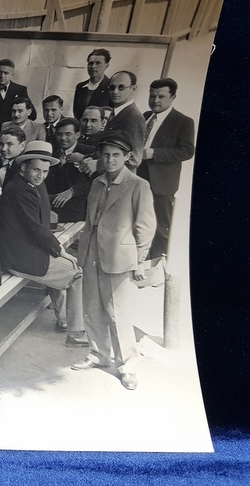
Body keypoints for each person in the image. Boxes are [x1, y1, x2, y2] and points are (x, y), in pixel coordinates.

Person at [71, 131, 156, 390]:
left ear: (127, 157)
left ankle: (127, 365)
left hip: (119, 256)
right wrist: (83, 251)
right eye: (105, 155)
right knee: (92, 306)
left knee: (118, 312)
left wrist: (139, 259)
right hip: (92, 252)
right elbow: (90, 221)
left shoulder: (138, 185)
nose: (109, 160)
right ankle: (98, 354)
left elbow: (146, 225)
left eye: (116, 155)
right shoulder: (97, 182)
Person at [0, 141, 86, 346]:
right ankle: (76, 332)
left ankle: (64, 320)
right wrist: (59, 250)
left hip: (23, 250)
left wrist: (55, 250)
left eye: (45, 171)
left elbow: (39, 224)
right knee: (76, 274)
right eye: (36, 169)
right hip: (18, 256)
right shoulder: (21, 189)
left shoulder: (30, 184)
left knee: (67, 267)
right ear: (24, 167)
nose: (41, 175)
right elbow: (35, 228)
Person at [136, 78, 195, 259]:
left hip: (162, 183)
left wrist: (156, 153)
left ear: (173, 97)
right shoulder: (145, 116)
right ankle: (139, 260)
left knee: (161, 226)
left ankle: (157, 265)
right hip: (139, 176)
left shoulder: (183, 121)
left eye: (161, 96)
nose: (155, 100)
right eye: (152, 96)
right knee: (139, 220)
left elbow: (187, 151)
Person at [81, 71, 146, 174]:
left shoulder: (134, 117)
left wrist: (98, 164)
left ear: (133, 89)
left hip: (120, 181)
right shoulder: (116, 113)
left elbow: (133, 160)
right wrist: (90, 158)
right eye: (112, 87)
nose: (115, 91)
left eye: (121, 87)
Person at [45, 117, 95, 223]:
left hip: (80, 205)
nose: (63, 138)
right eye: (59, 134)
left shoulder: (87, 151)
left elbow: (94, 182)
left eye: (68, 134)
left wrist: (72, 191)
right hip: (58, 201)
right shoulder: (57, 153)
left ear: (77, 135)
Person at [73, 48, 112, 119]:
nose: (93, 67)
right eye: (90, 63)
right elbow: (76, 114)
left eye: (98, 63)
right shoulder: (80, 87)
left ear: (106, 66)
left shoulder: (111, 87)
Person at [0, 126, 26, 192]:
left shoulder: (22, 168)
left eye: (9, 144)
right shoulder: (10, 164)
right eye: (1, 144)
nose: (3, 149)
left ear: (22, 146)